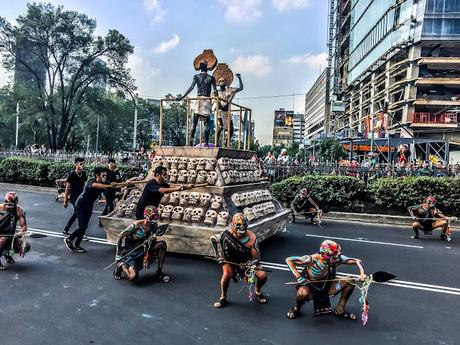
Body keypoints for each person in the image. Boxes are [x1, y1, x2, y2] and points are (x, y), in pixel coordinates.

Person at [285, 240, 366, 320]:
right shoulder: (312, 259)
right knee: (302, 293)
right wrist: (298, 276)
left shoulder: (337, 258)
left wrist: (362, 274)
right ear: (325, 254)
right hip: (310, 286)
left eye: (338, 253)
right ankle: (296, 308)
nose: (337, 256)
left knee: (350, 281)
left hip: (326, 284)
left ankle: (340, 310)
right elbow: (289, 260)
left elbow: (357, 261)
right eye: (334, 254)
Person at [210, 213, 268, 308]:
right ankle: (223, 297)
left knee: (262, 275)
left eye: (244, 227)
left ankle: (257, 291)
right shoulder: (226, 235)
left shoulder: (252, 238)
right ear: (232, 225)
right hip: (229, 260)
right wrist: (217, 255)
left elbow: (257, 258)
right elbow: (212, 239)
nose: (241, 230)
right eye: (238, 226)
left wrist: (248, 264)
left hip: (247, 261)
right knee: (226, 275)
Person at [64, 167, 117, 253]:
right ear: (97, 175)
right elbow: (95, 185)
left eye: (105, 176)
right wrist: (110, 185)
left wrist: (122, 184)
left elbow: (115, 185)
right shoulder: (91, 181)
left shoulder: (104, 183)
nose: (105, 177)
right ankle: (69, 239)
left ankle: (77, 245)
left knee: (84, 227)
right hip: (80, 205)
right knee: (82, 227)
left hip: (89, 206)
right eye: (103, 176)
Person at [113, 206, 170, 282]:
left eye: (156, 216)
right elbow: (120, 237)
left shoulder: (153, 224)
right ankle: (122, 265)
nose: (154, 219)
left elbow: (151, 237)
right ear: (146, 216)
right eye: (153, 216)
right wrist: (118, 254)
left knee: (162, 244)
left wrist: (152, 238)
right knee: (133, 277)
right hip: (131, 252)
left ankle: (159, 272)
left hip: (143, 249)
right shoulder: (136, 225)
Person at [178, 49, 218, 146]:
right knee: (206, 123)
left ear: (200, 67)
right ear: (207, 68)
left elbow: (191, 87)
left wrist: (182, 96)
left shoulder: (196, 76)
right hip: (207, 100)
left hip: (199, 100)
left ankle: (191, 141)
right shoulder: (211, 78)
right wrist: (217, 100)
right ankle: (207, 142)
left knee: (194, 122)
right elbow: (215, 91)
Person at [0, 192, 29, 270]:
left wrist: (20, 233)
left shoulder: (20, 211)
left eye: (11, 204)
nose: (9, 206)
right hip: (1, 235)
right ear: (5, 202)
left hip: (11, 234)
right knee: (2, 240)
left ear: (16, 203)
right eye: (7, 204)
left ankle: (7, 254)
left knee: (25, 246)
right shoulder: (0, 209)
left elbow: (24, 226)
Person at [63, 157, 87, 235]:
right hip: (73, 197)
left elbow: (85, 185)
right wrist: (65, 200)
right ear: (76, 164)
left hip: (81, 197)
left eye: (83, 163)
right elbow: (67, 188)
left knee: (77, 213)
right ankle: (80, 231)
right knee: (80, 213)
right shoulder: (72, 174)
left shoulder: (83, 173)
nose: (83, 165)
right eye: (81, 163)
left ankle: (66, 228)